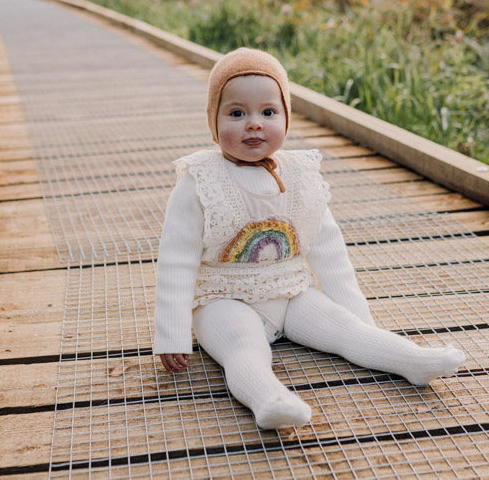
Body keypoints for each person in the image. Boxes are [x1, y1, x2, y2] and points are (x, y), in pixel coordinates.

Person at [153, 47, 465, 430]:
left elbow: (328, 250)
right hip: (222, 299)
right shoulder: (199, 182)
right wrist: (171, 334)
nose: (254, 124)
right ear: (213, 121)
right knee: (243, 346)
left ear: (286, 116)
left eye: (268, 112)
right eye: (237, 113)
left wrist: (360, 317)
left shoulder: (300, 175)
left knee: (342, 327)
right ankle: (268, 400)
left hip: (290, 291)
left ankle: (411, 360)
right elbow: (176, 260)